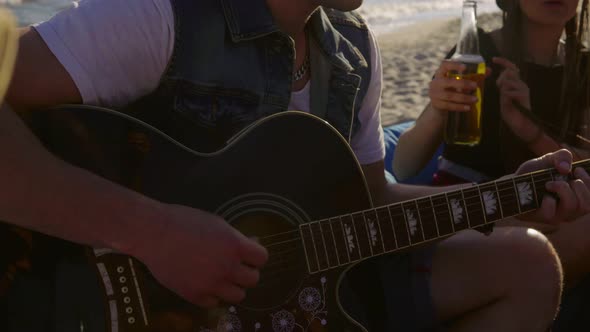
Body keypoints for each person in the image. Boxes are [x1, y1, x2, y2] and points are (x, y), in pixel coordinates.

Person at [1, 0, 589, 331]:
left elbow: (369, 202)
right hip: (105, 303)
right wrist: (151, 232)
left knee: (530, 262)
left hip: (298, 292)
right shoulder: (163, 16)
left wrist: (507, 201)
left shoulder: (354, 49)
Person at [393, 0, 590, 328]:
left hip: (541, 209)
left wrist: (529, 131)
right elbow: (404, 164)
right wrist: (437, 110)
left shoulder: (582, 67)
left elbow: (584, 162)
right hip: (465, 207)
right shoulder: (476, 52)